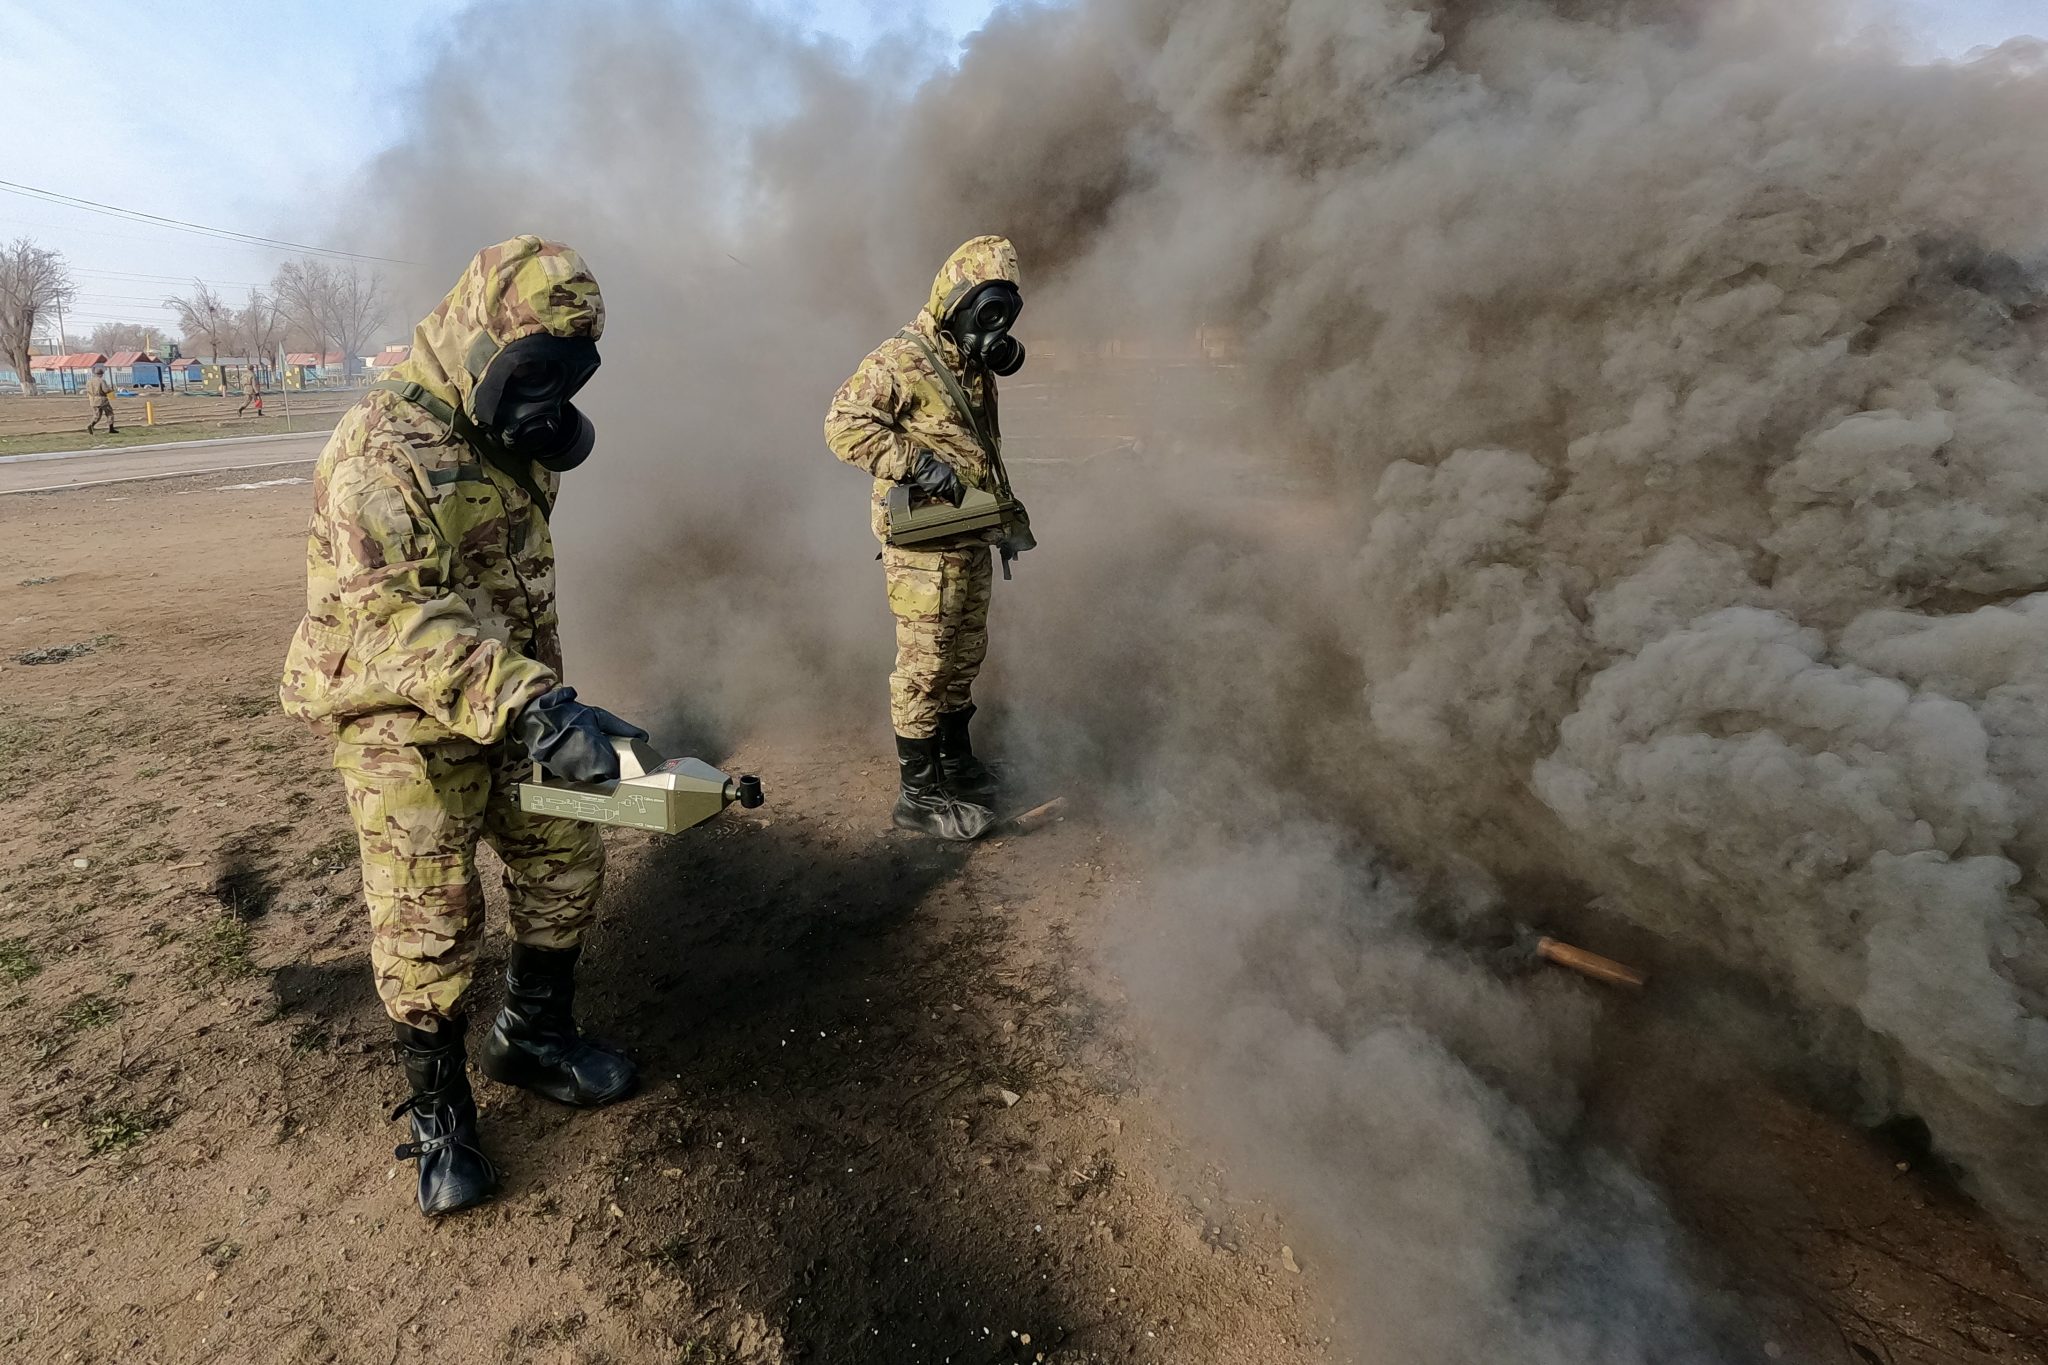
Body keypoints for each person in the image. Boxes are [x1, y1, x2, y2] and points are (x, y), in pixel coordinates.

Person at [279, 235, 644, 1217]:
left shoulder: (507, 434)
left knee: (567, 855)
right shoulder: (379, 451)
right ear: (478, 342)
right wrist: (534, 702)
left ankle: (531, 1037)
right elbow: (397, 617)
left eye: (570, 376)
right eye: (537, 370)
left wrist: (541, 705)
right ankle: (440, 1114)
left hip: (510, 692)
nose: (552, 395)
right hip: (398, 708)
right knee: (430, 916)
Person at [825, 235, 1032, 842]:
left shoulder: (968, 360)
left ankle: (956, 764)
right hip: (924, 550)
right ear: (956, 300)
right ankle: (917, 795)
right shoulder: (899, 360)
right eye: (985, 312)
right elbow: (842, 425)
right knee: (925, 664)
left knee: (965, 653)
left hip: (967, 528)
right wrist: (915, 462)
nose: (993, 329)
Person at [84, 364, 117, 434]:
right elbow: (105, 390)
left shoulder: (89, 381)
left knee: (97, 415)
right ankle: (111, 429)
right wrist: (111, 389)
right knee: (110, 413)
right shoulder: (101, 381)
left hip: (93, 400)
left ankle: (91, 425)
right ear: (101, 374)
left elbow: (87, 390)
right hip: (102, 400)